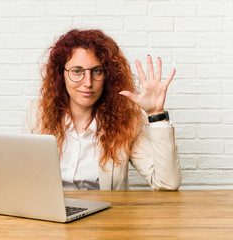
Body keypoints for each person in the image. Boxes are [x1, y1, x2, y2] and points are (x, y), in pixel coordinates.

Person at [22, 29, 181, 190]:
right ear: (60, 74)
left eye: (97, 71)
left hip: (105, 214)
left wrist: (156, 114)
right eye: (77, 71)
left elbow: (167, 183)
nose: (88, 83)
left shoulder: (126, 120)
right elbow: (24, 176)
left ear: (108, 76)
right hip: (51, 213)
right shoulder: (37, 113)